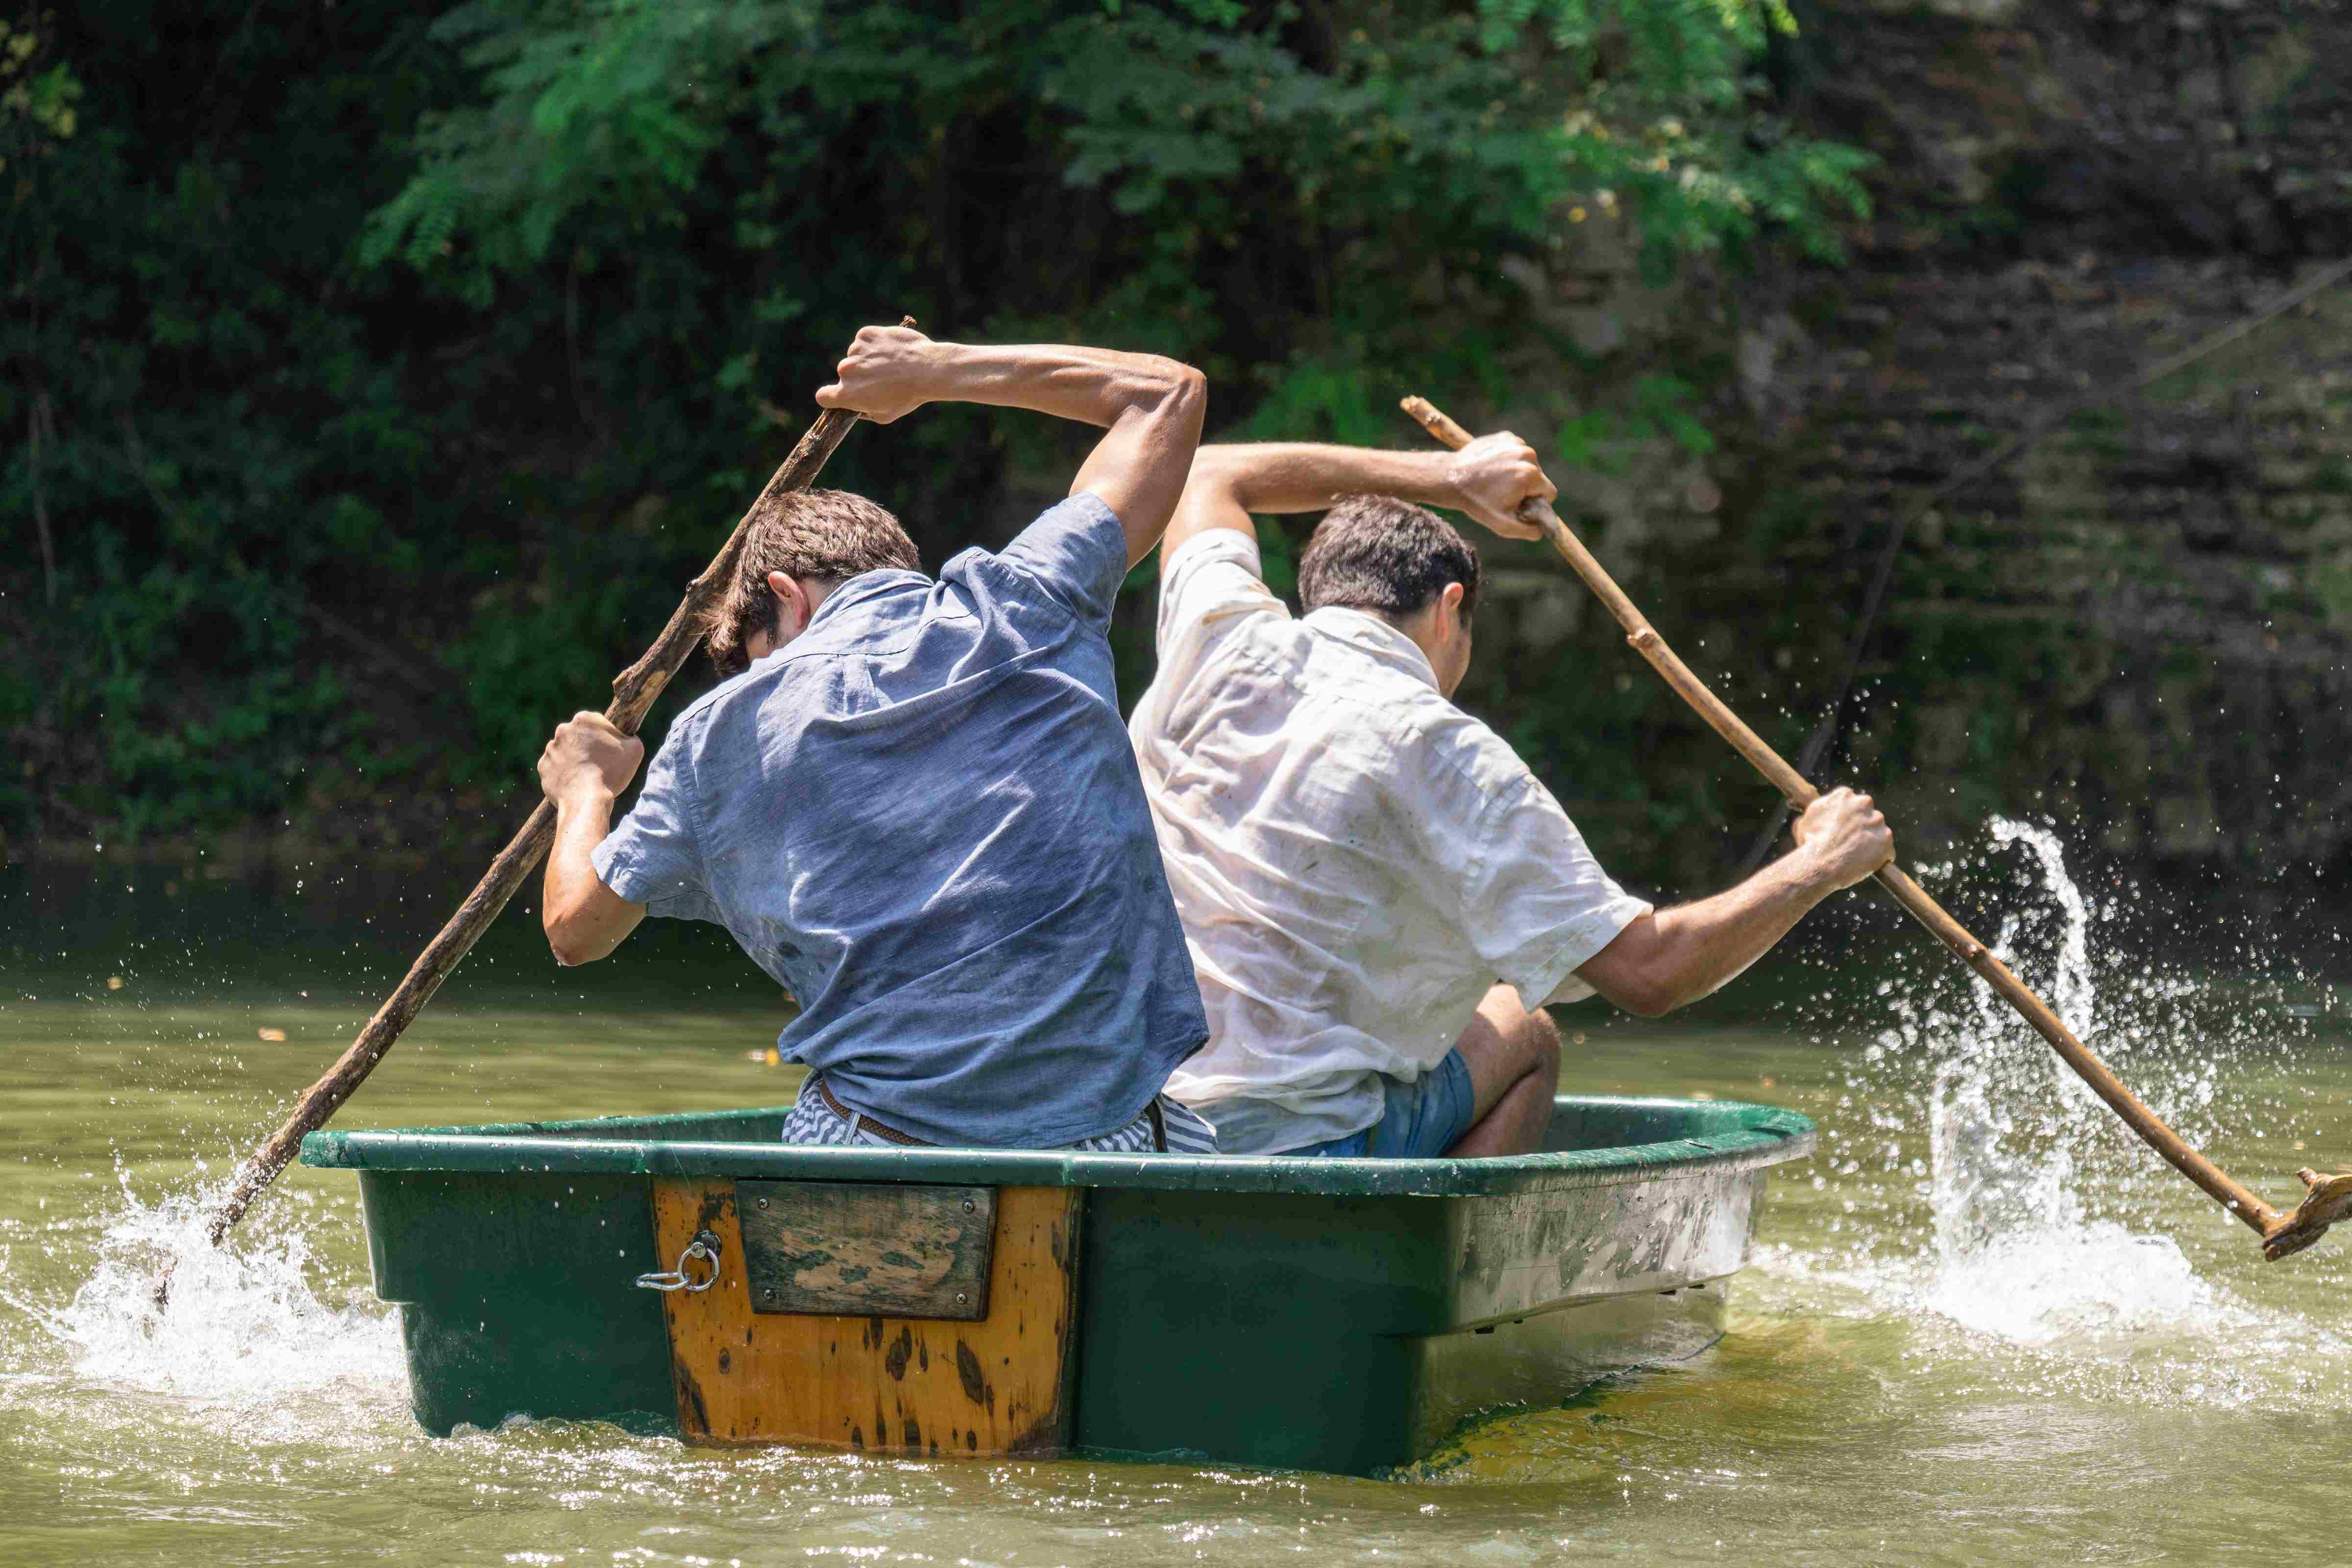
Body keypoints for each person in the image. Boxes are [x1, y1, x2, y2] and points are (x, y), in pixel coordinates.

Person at [532, 323, 1216, 1153]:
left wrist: (583, 795)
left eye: (757, 660)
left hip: (875, 1141)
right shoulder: (1024, 599)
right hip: (1104, 1133)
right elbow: (1167, 395)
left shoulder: (715, 736)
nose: (762, 684)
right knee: (1183, 1125)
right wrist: (936, 372)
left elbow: (575, 930)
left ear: (788, 596)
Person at [1127, 434, 1894, 1158]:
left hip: (1131, 1117)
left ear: (1321, 592)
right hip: (1291, 1138)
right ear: (1449, 608)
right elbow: (1652, 974)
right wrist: (1821, 866)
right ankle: (1431, 1280)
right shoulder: (1447, 755)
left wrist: (1449, 479)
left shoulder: (1217, 641)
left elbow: (1209, 470)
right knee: (1526, 1028)